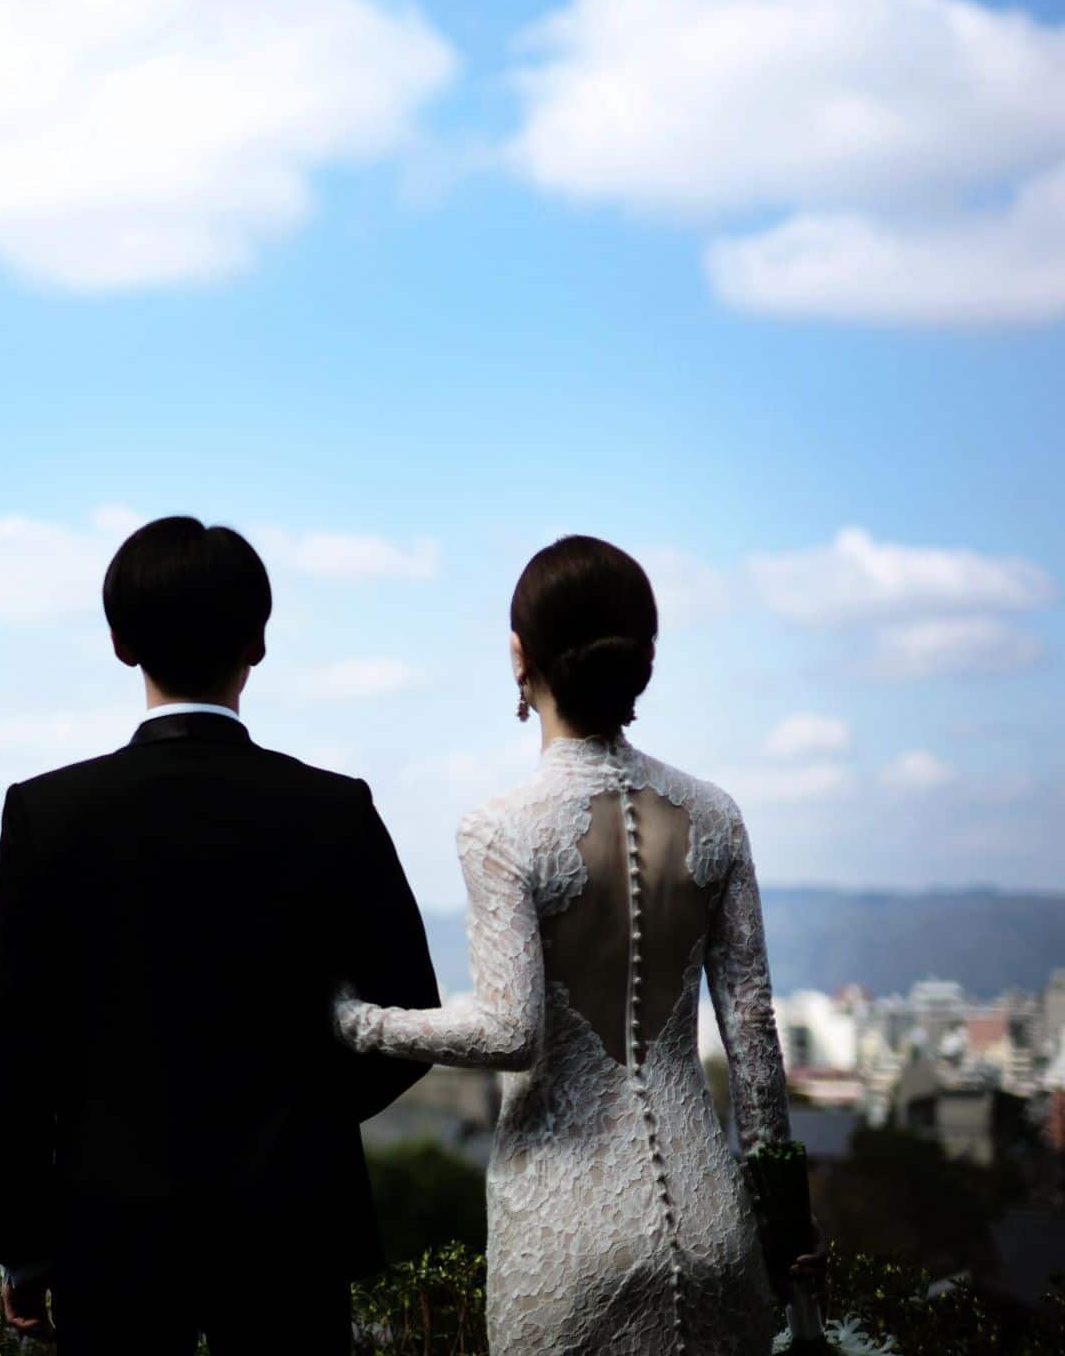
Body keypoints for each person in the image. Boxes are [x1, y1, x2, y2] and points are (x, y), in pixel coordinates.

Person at [331, 534, 823, 1355]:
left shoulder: (501, 829)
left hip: (564, 1225)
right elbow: (756, 1045)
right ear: (643, 657)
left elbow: (509, 1031)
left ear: (519, 658)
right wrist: (786, 1221)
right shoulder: (716, 815)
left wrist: (359, 1022)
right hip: (714, 1221)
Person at [0, 516, 441, 1354]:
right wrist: (305, 1109)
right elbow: (412, 1021)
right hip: (291, 1221)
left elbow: (13, 1055)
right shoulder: (332, 809)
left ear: (121, 643)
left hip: (107, 1229)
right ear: (258, 643)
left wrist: (22, 1247)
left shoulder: (46, 814)